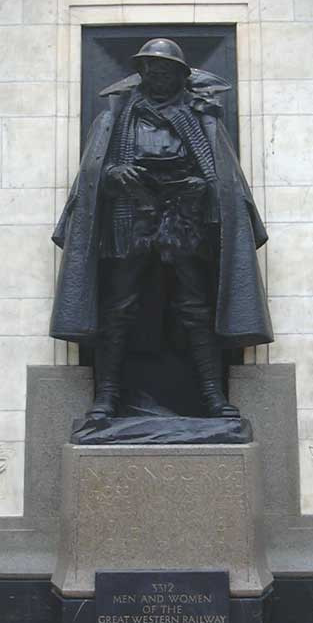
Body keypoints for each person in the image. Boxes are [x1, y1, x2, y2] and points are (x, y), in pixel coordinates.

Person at [50, 38, 273, 419]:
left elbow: (219, 175)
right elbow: (93, 175)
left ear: (179, 75)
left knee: (195, 308)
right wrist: (115, 173)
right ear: (142, 73)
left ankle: (211, 395)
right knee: (119, 308)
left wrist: (202, 187)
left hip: (183, 217)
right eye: (150, 69)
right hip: (130, 215)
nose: (157, 75)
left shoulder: (200, 118)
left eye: (165, 69)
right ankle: (106, 398)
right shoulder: (116, 118)